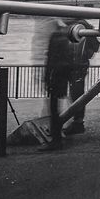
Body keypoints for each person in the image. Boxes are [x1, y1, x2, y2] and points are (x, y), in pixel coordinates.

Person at [41, 21, 74, 151]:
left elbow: (50, 59)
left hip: (55, 76)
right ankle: (57, 136)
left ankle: (56, 140)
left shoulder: (55, 37)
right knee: (57, 107)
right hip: (62, 77)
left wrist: (46, 78)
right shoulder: (66, 37)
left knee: (53, 108)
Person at [63, 20, 100, 135]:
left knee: (75, 94)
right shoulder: (85, 26)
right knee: (76, 93)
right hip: (80, 66)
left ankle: (77, 122)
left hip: (75, 66)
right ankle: (77, 122)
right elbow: (97, 46)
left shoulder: (74, 26)